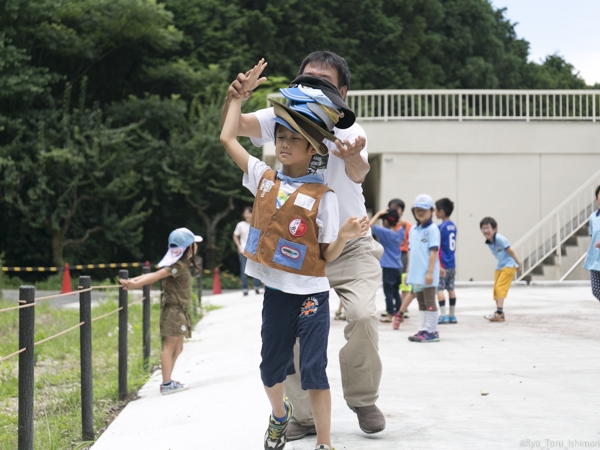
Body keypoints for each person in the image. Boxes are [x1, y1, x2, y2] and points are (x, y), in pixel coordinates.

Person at [224, 51, 386, 437]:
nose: (311, 87)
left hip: (348, 241)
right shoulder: (284, 114)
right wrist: (236, 97)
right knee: (293, 331)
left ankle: (363, 399)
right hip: (297, 249)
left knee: (362, 315)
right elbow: (234, 129)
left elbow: (360, 171)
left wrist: (352, 160)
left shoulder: (348, 130)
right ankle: (303, 415)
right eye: (305, 79)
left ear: (341, 92)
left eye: (323, 82)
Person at [119, 227, 202, 394]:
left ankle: (168, 379)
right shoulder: (177, 266)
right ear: (188, 247)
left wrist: (134, 279)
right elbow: (156, 275)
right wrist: (134, 284)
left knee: (178, 348)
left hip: (180, 312)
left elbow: (156, 274)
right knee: (169, 347)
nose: (196, 246)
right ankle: (166, 383)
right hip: (173, 311)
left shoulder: (181, 265)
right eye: (194, 244)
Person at [405, 194, 441, 343]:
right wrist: (408, 272)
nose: (420, 212)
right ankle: (423, 329)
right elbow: (410, 251)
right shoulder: (413, 229)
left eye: (424, 210)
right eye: (417, 209)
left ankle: (432, 331)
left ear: (431, 210)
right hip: (416, 273)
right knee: (421, 302)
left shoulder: (433, 229)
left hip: (428, 273)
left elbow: (433, 251)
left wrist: (430, 272)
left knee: (430, 301)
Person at [480, 217, 522, 322]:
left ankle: (499, 313)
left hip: (508, 265)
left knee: (500, 288)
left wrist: (518, 263)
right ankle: (498, 312)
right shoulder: (489, 241)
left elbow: (510, 251)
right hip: (500, 265)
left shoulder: (499, 238)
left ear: (495, 229)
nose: (485, 231)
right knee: (495, 290)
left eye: (488, 228)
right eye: (483, 228)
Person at [369, 208, 404, 321]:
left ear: (386, 221)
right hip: (398, 266)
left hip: (389, 267)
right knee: (395, 292)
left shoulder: (385, 232)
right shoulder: (400, 233)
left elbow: (369, 225)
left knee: (388, 292)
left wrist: (378, 213)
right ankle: (400, 314)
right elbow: (403, 224)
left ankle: (390, 314)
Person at [389, 198, 415, 329]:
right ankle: (393, 307)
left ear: (402, 211)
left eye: (397, 208)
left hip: (403, 254)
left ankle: (404, 308)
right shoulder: (388, 223)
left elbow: (410, 243)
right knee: (392, 284)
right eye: (392, 208)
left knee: (404, 282)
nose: (394, 210)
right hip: (392, 255)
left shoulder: (407, 225)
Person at [435, 198, 458, 324]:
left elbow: (438, 247)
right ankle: (452, 315)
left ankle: (443, 315)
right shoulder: (453, 226)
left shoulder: (440, 227)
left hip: (442, 264)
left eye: (436, 210)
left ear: (441, 212)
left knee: (439, 289)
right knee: (451, 289)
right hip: (452, 263)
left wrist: (440, 265)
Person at [233, 206, 262, 295]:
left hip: (254, 250)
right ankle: (244, 289)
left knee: (256, 269)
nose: (247, 215)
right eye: (245, 213)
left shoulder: (256, 224)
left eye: (249, 213)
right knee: (243, 270)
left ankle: (257, 287)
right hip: (243, 250)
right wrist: (238, 246)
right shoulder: (240, 224)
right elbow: (235, 235)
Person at [583, 185, 600, 302]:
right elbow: (592, 237)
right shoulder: (593, 217)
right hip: (595, 260)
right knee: (596, 290)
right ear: (596, 199)